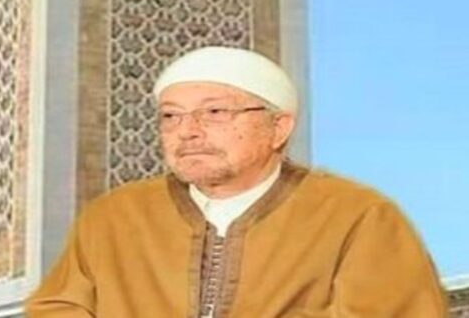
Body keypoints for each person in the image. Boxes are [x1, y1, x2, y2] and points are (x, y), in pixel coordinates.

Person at [25, 46, 447, 317]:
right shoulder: (115, 218)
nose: (187, 131)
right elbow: (58, 308)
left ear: (278, 127)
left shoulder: (357, 217)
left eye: (214, 113)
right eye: (171, 116)